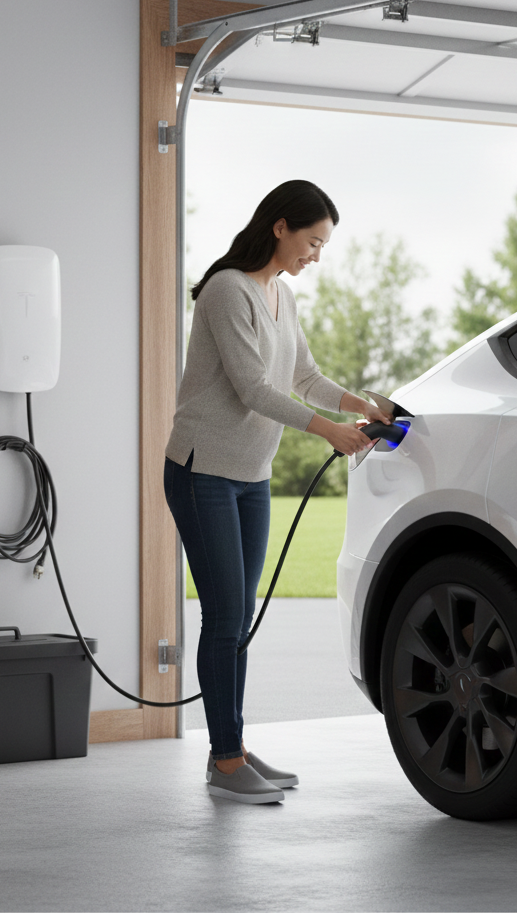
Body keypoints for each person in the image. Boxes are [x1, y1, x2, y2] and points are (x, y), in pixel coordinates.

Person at [163, 180, 391, 804]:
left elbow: (303, 376)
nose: (316, 254)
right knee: (227, 617)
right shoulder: (227, 290)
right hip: (202, 469)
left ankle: (232, 749)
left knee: (239, 622)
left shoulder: (280, 296)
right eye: (313, 241)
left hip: (250, 475)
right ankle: (225, 761)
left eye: (323, 245)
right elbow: (252, 391)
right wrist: (331, 431)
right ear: (280, 227)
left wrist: (362, 403)